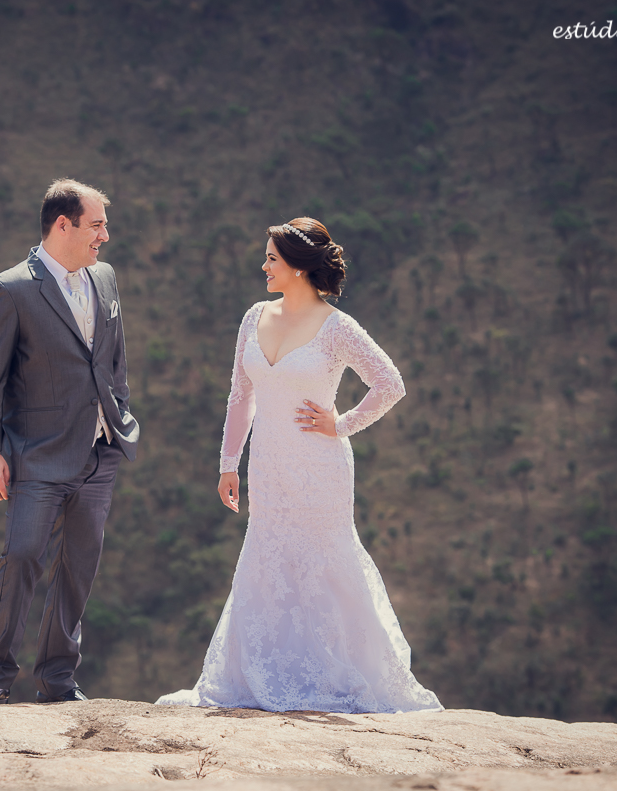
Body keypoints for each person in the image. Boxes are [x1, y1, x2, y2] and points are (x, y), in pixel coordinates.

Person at [156, 218, 442, 714]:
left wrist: (343, 423)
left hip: (320, 466)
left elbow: (389, 382)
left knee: (323, 560)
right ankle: (264, 671)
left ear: (298, 266)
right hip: (267, 464)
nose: (263, 266)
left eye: (271, 258)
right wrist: (229, 463)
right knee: (269, 557)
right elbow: (240, 395)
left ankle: (337, 674)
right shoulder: (253, 316)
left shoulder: (337, 327)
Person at [0, 179, 139, 705]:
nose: (105, 236)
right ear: (63, 225)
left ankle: (58, 681)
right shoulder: (11, 289)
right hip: (36, 453)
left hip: (100, 450)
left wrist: (120, 413)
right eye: (97, 224)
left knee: (78, 567)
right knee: (21, 558)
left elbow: (113, 360)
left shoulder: (104, 279)